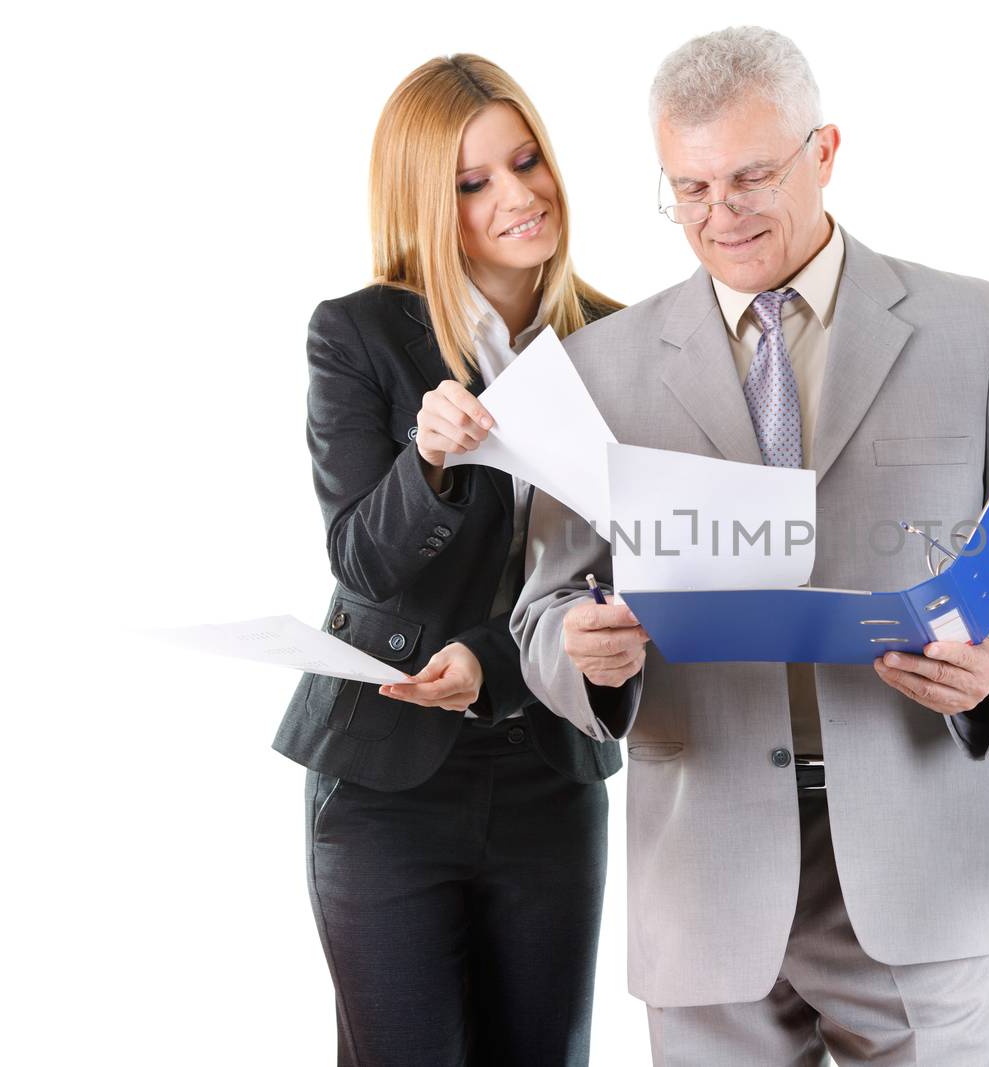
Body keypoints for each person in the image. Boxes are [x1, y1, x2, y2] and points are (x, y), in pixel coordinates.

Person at [511, 26, 989, 1065]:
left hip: (917, 853)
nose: (719, 215)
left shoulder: (979, 327)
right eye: (688, 189)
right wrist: (580, 656)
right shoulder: (599, 369)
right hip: (703, 875)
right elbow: (546, 604)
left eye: (748, 177)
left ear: (824, 153)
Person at [272, 54, 621, 1067]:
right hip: (385, 778)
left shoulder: (620, 337)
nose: (518, 196)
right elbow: (362, 563)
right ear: (428, 200)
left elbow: (639, 565)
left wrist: (494, 663)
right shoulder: (361, 333)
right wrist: (426, 458)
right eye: (473, 183)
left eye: (526, 162)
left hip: (551, 761)